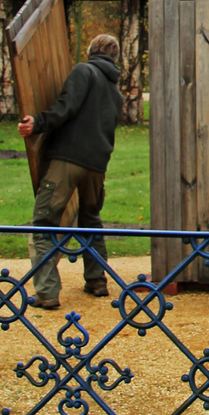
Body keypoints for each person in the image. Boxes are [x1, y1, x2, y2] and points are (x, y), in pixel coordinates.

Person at [16, 34, 124, 309]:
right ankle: (97, 280)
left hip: (67, 160)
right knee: (91, 220)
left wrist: (37, 123)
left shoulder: (83, 71)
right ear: (115, 57)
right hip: (97, 167)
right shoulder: (115, 92)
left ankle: (47, 293)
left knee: (43, 224)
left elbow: (66, 107)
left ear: (90, 51)